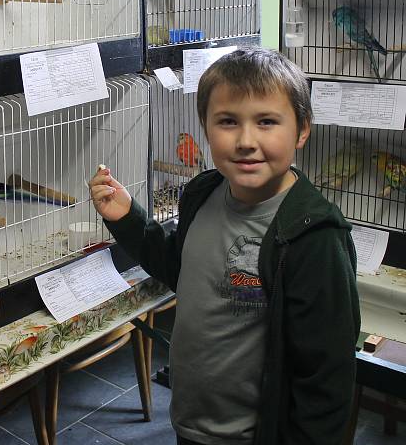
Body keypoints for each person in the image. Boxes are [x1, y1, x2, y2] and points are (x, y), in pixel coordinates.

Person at [89, 48, 360, 445]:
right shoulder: (202, 194)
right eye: (228, 122)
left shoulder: (313, 237)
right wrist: (128, 217)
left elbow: (326, 376)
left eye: (267, 122)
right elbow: (181, 269)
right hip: (191, 423)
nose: (246, 141)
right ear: (206, 127)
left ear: (302, 130)